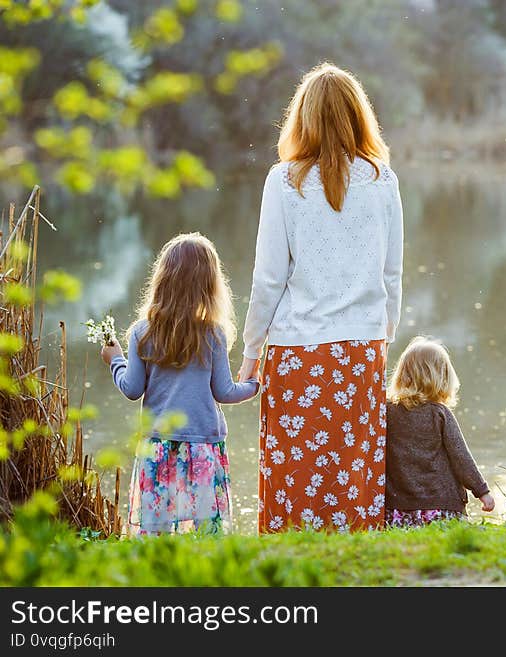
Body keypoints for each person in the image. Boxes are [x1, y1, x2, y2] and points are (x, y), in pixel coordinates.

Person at [239, 63, 403, 533]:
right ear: (358, 117)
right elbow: (391, 273)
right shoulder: (382, 181)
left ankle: (292, 573)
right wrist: (384, 334)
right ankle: (355, 565)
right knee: (354, 476)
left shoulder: (283, 181)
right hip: (360, 350)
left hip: (296, 353)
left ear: (303, 118)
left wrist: (252, 352)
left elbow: (269, 278)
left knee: (295, 478)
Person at [100, 233, 259, 535]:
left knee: (156, 533)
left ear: (162, 279)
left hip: (157, 449)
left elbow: (132, 389)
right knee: (204, 535)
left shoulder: (141, 332)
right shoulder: (213, 335)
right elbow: (224, 392)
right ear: (210, 285)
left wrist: (115, 360)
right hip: (202, 450)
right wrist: (254, 384)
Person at [385, 336, 494, 528]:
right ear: (442, 376)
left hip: (398, 510)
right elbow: (461, 457)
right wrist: (482, 491)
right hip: (441, 509)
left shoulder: (387, 411)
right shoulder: (439, 413)